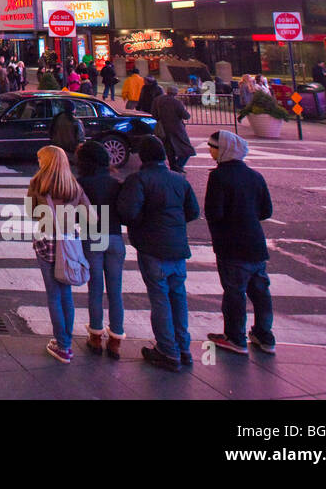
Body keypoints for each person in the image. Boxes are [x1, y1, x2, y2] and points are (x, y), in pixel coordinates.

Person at [118, 135, 200, 372]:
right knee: (178, 297)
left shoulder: (139, 180)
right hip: (177, 247)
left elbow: (128, 213)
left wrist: (146, 223)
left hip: (152, 247)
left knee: (160, 299)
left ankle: (167, 350)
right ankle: (183, 347)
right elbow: (192, 212)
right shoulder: (179, 180)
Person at [204, 131, 276, 356]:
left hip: (231, 244)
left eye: (213, 147)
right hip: (255, 243)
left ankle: (235, 337)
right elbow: (266, 211)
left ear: (223, 149)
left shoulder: (219, 177)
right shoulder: (255, 176)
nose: (209, 150)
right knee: (260, 292)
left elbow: (213, 213)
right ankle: (264, 334)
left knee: (234, 293)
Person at [28, 146, 90, 364]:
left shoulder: (37, 183)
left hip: (46, 243)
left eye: (39, 158)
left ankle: (62, 344)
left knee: (53, 295)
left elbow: (31, 212)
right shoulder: (73, 185)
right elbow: (88, 215)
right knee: (66, 294)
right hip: (69, 243)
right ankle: (66, 342)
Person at [77, 140, 125, 359]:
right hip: (114, 237)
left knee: (95, 288)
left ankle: (95, 336)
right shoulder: (116, 183)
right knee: (115, 291)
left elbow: (76, 215)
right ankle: (115, 340)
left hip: (94, 236)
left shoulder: (83, 183)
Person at [153, 85, 196, 173]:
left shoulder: (157, 100)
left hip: (163, 128)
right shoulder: (176, 102)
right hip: (177, 128)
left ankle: (173, 166)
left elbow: (154, 114)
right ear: (175, 93)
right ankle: (178, 165)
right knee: (187, 149)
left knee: (169, 149)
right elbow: (186, 116)